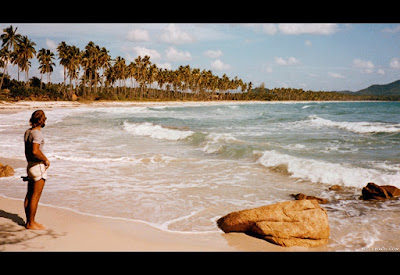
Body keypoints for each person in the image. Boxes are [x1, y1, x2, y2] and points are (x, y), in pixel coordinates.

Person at [24, 110, 50, 230]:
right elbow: (35, 151)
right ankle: (31, 223)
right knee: (35, 196)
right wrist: (45, 160)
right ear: (42, 120)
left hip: (29, 165)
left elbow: (28, 151)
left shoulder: (27, 132)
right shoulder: (37, 134)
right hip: (37, 166)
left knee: (29, 195)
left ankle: (29, 221)